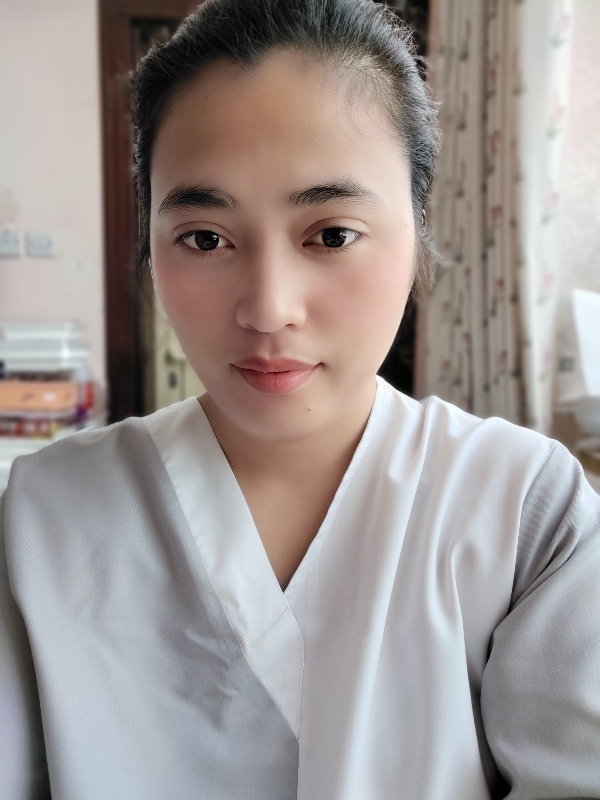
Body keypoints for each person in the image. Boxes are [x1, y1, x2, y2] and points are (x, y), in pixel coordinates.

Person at [1, 0, 599, 797]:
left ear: (418, 231)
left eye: (332, 234)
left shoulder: (529, 515)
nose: (268, 308)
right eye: (205, 238)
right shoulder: (44, 517)